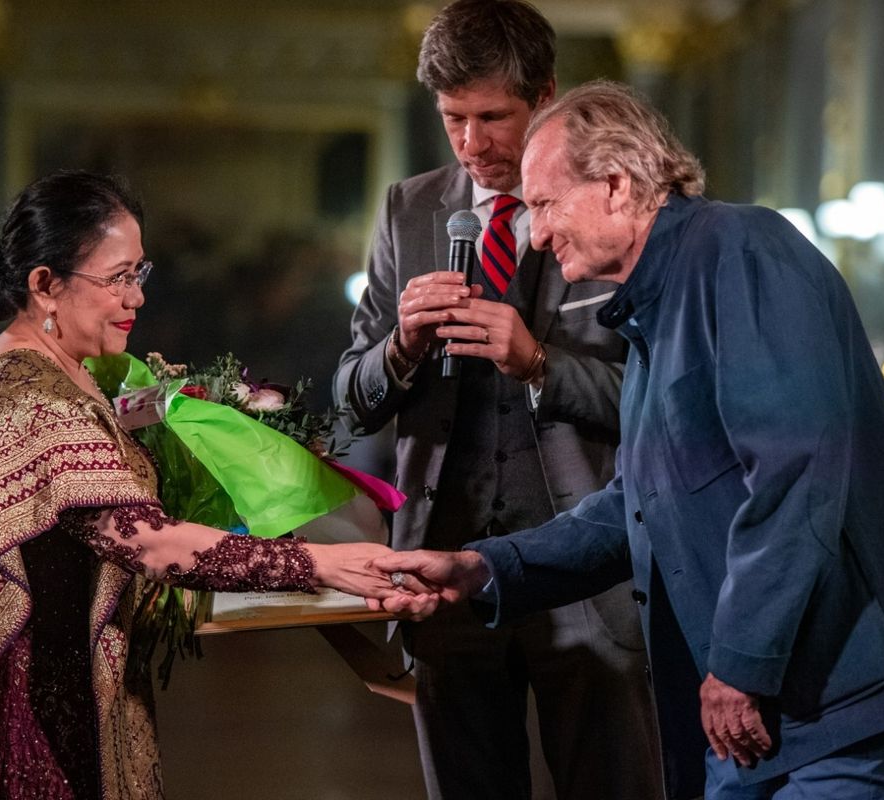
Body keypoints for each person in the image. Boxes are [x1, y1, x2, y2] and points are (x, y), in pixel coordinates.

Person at [370, 80, 884, 800]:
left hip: (841, 695)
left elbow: (795, 472)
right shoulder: (663, 297)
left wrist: (740, 663)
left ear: (616, 185)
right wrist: (481, 569)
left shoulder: (739, 252)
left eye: (547, 205)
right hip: (766, 709)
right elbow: (635, 506)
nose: (540, 233)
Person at [0, 170, 397, 800]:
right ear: (45, 286)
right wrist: (323, 563)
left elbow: (125, 488)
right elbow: (148, 543)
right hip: (43, 713)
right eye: (117, 278)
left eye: (140, 274)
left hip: (73, 685)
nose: (136, 298)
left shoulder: (64, 374)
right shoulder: (30, 399)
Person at [334, 3, 662, 798]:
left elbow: (661, 404)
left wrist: (540, 361)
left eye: (492, 117)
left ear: (546, 96)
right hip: (445, 579)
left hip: (594, 580)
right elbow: (349, 400)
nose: (472, 143)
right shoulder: (408, 209)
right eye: (453, 120)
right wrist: (401, 347)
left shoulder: (618, 205)